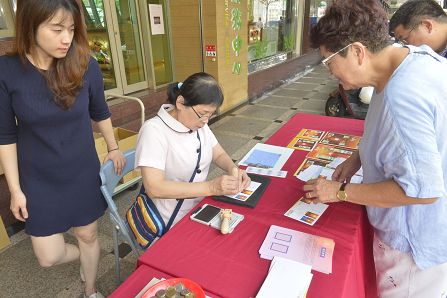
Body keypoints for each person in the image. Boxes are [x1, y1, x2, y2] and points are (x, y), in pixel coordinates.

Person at [305, 0, 447, 296]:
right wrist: (358, 157)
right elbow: (394, 131)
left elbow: (422, 191)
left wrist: (340, 192)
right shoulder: (411, 58)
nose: (331, 73)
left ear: (357, 51)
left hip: (413, 249)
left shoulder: (402, 96)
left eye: (329, 62)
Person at [0, 1, 125, 297]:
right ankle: (87, 258)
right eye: (57, 29)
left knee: (88, 234)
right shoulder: (7, 70)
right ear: (31, 25)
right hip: (37, 176)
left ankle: (91, 287)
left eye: (70, 29)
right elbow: (5, 136)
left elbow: (100, 111)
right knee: (48, 256)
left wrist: (113, 147)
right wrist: (15, 190)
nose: (66, 38)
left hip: (80, 168)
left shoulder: (84, 63)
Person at [135, 72, 250, 227]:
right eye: (202, 114)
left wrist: (233, 170)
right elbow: (154, 187)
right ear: (181, 103)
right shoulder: (153, 131)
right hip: (168, 220)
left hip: (200, 207)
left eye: (210, 114)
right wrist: (211, 187)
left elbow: (219, 153)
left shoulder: (198, 123)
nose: (206, 121)